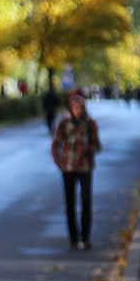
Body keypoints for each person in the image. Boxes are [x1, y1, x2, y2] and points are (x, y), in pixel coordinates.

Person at [51, 91, 102, 250]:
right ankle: (73, 238)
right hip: (69, 167)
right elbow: (55, 145)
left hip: (85, 167)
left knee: (86, 200)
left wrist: (89, 149)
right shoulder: (64, 124)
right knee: (70, 202)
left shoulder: (90, 124)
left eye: (80, 108)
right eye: (75, 108)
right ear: (71, 109)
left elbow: (97, 145)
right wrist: (60, 162)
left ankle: (85, 238)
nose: (78, 111)